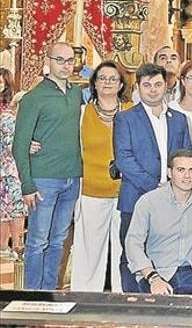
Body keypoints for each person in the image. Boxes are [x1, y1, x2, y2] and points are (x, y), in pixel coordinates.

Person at [114, 62, 192, 292]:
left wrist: (174, 188)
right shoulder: (125, 118)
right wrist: (154, 187)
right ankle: (131, 303)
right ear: (137, 87)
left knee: (163, 252)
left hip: (171, 199)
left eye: (158, 84)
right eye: (146, 85)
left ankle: (162, 299)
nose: (152, 89)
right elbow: (124, 159)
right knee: (131, 253)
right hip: (136, 196)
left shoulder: (178, 119)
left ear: (166, 86)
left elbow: (186, 155)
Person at [12, 42, 83, 290]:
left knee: (59, 240)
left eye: (70, 60)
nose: (65, 65)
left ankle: (50, 292)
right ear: (48, 61)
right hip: (43, 179)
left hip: (72, 177)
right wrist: (27, 185)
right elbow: (19, 145)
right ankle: (33, 295)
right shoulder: (34, 97)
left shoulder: (76, 94)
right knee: (37, 241)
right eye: (60, 60)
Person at [71, 61, 132, 292]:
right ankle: (84, 297)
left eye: (112, 79)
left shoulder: (131, 110)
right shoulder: (82, 113)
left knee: (123, 247)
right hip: (91, 190)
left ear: (120, 84)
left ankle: (121, 296)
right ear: (94, 83)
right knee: (88, 250)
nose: (107, 83)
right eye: (102, 78)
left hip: (124, 192)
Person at [125, 149, 192, 295]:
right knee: (165, 306)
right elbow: (132, 243)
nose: (187, 176)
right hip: (157, 272)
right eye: (181, 170)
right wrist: (153, 277)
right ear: (170, 173)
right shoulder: (148, 202)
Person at [0, 67, 25, 257]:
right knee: (7, 209)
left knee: (13, 207)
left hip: (11, 166)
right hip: (7, 166)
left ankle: (15, 247)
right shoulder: (8, 117)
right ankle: (7, 247)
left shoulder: (10, 113)